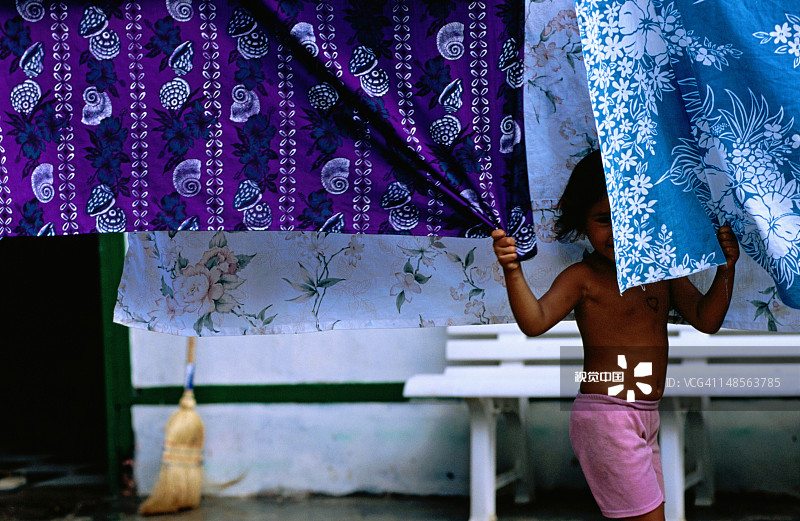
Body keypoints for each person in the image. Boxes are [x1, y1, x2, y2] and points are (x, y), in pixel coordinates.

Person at [491, 150, 739, 520]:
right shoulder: (583, 278)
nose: (620, 231)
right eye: (603, 219)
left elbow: (707, 319)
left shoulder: (663, 271)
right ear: (582, 223)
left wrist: (726, 268)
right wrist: (512, 270)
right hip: (606, 417)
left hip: (647, 415)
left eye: (630, 215)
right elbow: (535, 321)